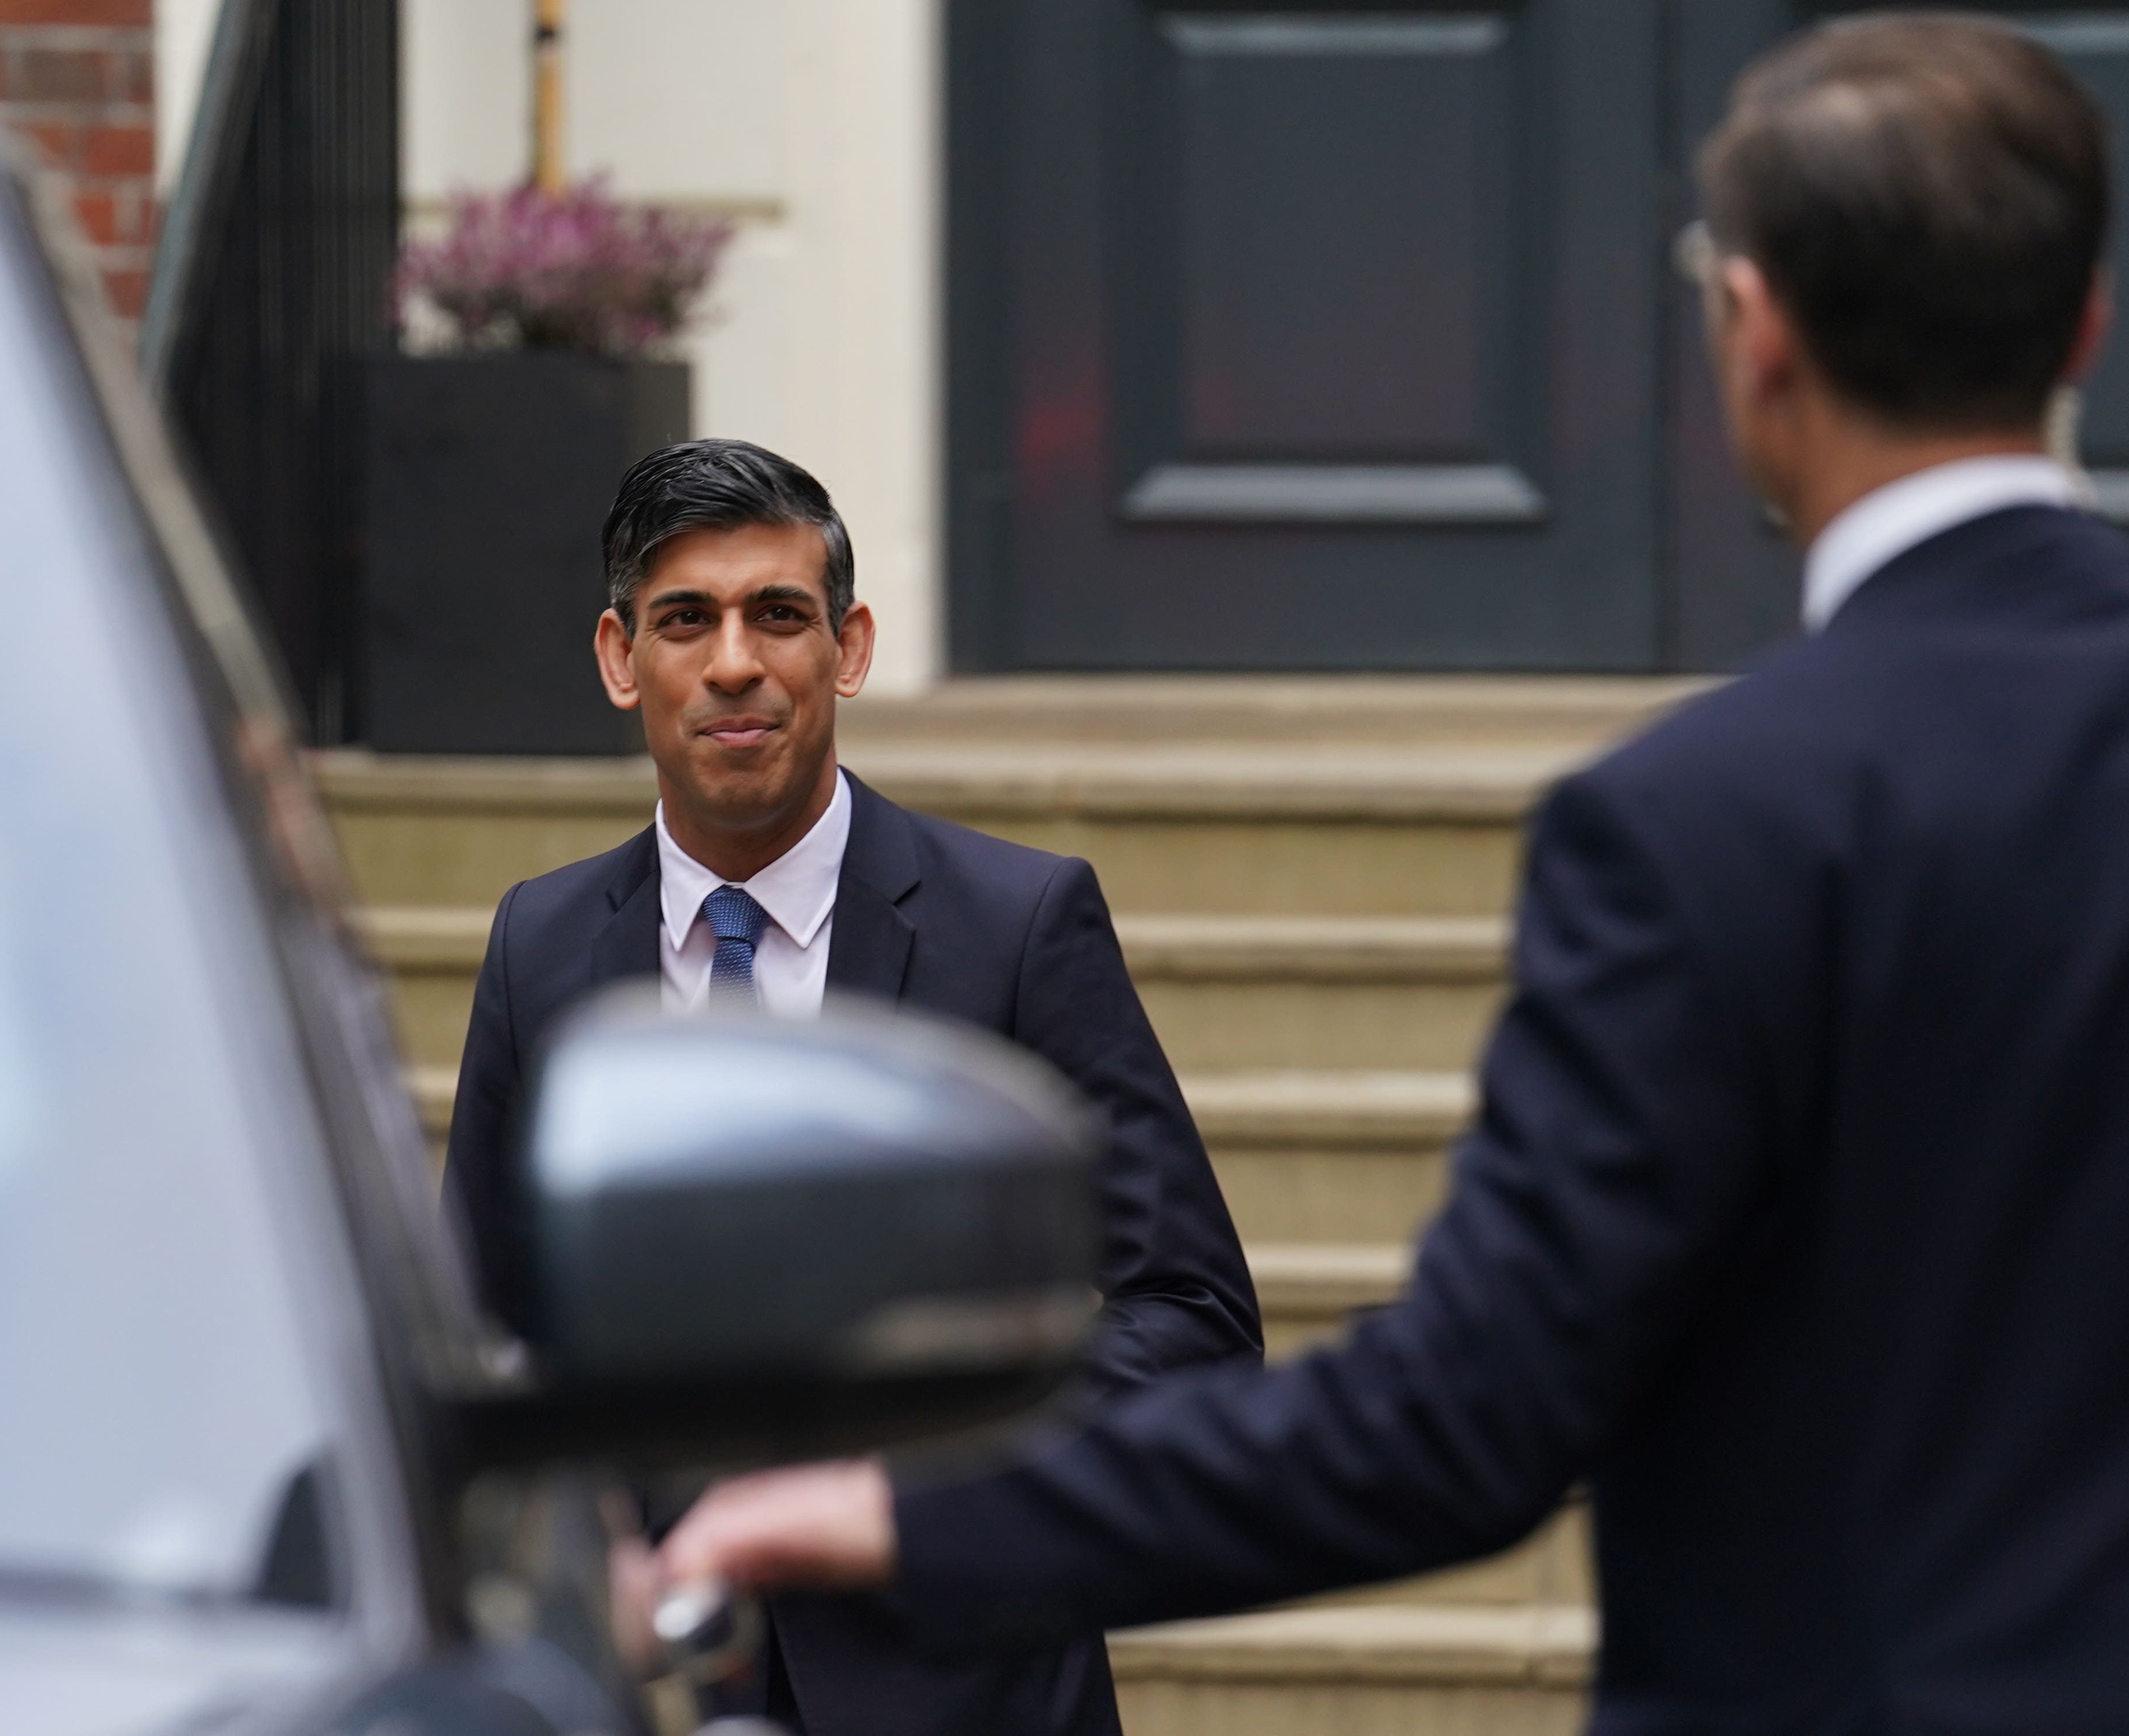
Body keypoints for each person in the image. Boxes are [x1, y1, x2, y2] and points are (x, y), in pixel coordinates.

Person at [661, 16, 2129, 1730]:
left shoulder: (1699, 822)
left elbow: (1462, 1420)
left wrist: (895, 1516)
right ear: (2085, 319)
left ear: (1755, 334)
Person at [441, 437, 1263, 1735]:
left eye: (778, 614)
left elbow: (1192, 1314)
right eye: (684, 620)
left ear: (851, 646)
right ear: (618, 659)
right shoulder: (536, 945)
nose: (732, 662)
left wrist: (916, 1469)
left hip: (958, 1681)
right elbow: (478, 1333)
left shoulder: (1018, 921)